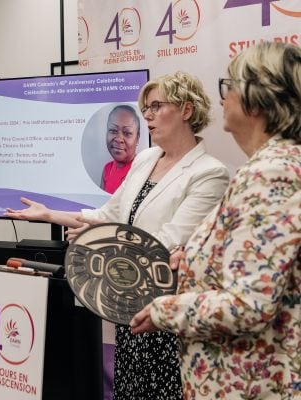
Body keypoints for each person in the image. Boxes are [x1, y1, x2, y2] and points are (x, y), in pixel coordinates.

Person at [5, 71, 230, 400]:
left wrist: (101, 246)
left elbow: (166, 244)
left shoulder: (209, 173)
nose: (148, 115)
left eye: (156, 106)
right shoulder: (146, 159)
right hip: (130, 305)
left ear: (186, 110)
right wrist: (49, 214)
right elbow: (108, 215)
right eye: (146, 108)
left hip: (167, 311)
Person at [131, 42, 301, 399]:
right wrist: (191, 261)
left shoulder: (272, 173)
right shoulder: (271, 166)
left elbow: (249, 303)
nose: (222, 99)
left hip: (254, 382)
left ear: (259, 98)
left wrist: (166, 309)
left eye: (230, 87)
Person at [101, 104, 140, 193]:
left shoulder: (140, 170)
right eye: (113, 131)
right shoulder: (107, 169)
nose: (118, 139)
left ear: (137, 138)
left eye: (127, 133)